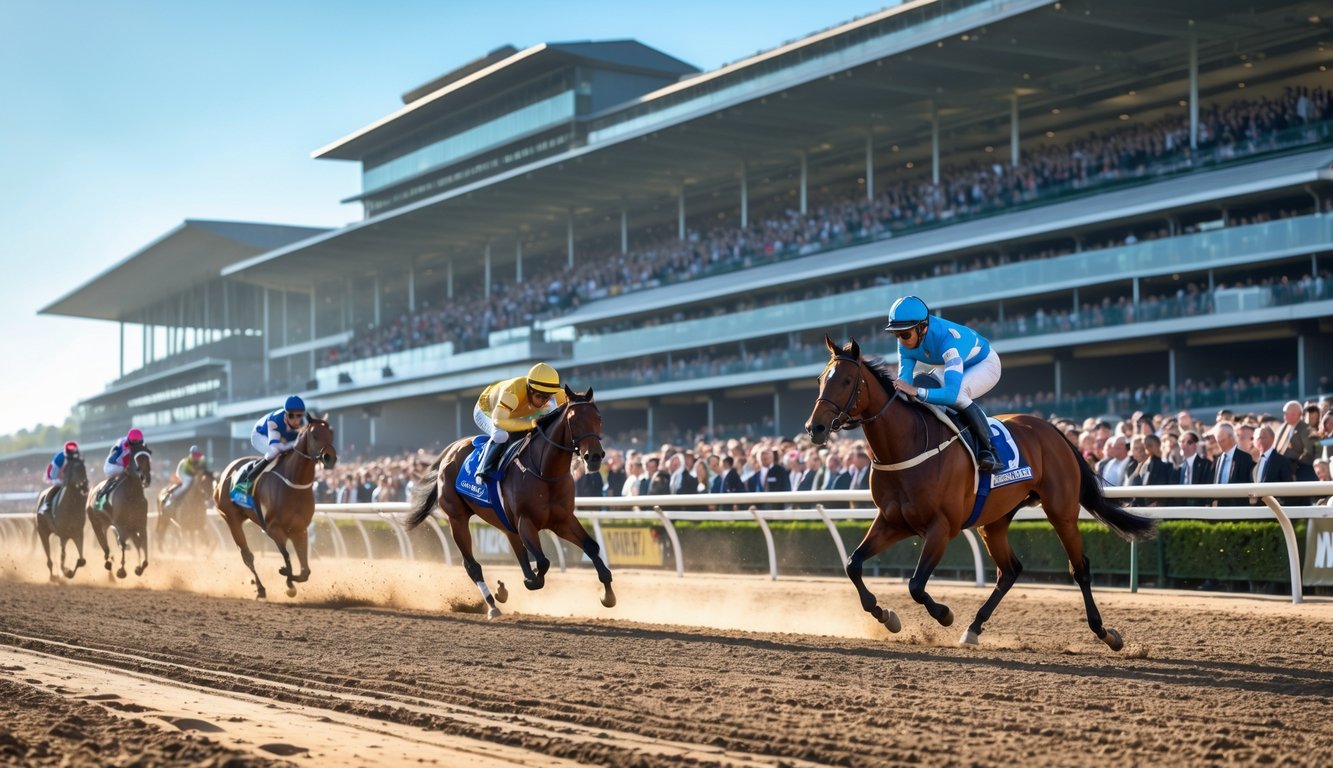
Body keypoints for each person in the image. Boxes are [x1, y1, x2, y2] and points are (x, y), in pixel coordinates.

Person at [883, 295, 1001, 471]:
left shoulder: (949, 342)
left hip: (983, 364)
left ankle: (989, 449)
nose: (901, 340)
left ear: (922, 328)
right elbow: (905, 383)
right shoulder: (905, 343)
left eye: (905, 334)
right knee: (920, 381)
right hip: (951, 365)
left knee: (958, 396)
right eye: (896, 334)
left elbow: (951, 393)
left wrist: (916, 391)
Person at [472, 363, 567, 484]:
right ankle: (482, 469)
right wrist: (529, 425)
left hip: (514, 412)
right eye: (539, 396)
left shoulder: (552, 392)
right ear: (529, 389)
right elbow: (498, 421)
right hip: (488, 412)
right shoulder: (512, 393)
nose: (543, 401)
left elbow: (580, 401)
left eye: (547, 396)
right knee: (501, 435)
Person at [230, 395, 306, 509]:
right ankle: (241, 487)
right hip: (260, 435)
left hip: (281, 438)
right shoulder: (275, 421)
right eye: (291, 415)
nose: (296, 420)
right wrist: (293, 444)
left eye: (299, 415)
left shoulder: (303, 423)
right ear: (286, 414)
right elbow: (276, 446)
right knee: (274, 453)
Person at [93, 429, 150, 510]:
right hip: (113, 465)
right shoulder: (122, 444)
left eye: (138, 442)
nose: (137, 445)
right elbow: (116, 461)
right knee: (125, 472)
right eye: (134, 443)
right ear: (129, 441)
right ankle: (100, 496)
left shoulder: (142, 445)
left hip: (126, 465)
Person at [39, 441, 80, 522]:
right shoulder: (60, 458)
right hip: (54, 474)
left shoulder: (76, 456)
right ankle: (47, 504)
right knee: (59, 484)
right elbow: (58, 474)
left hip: (66, 476)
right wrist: (65, 480)